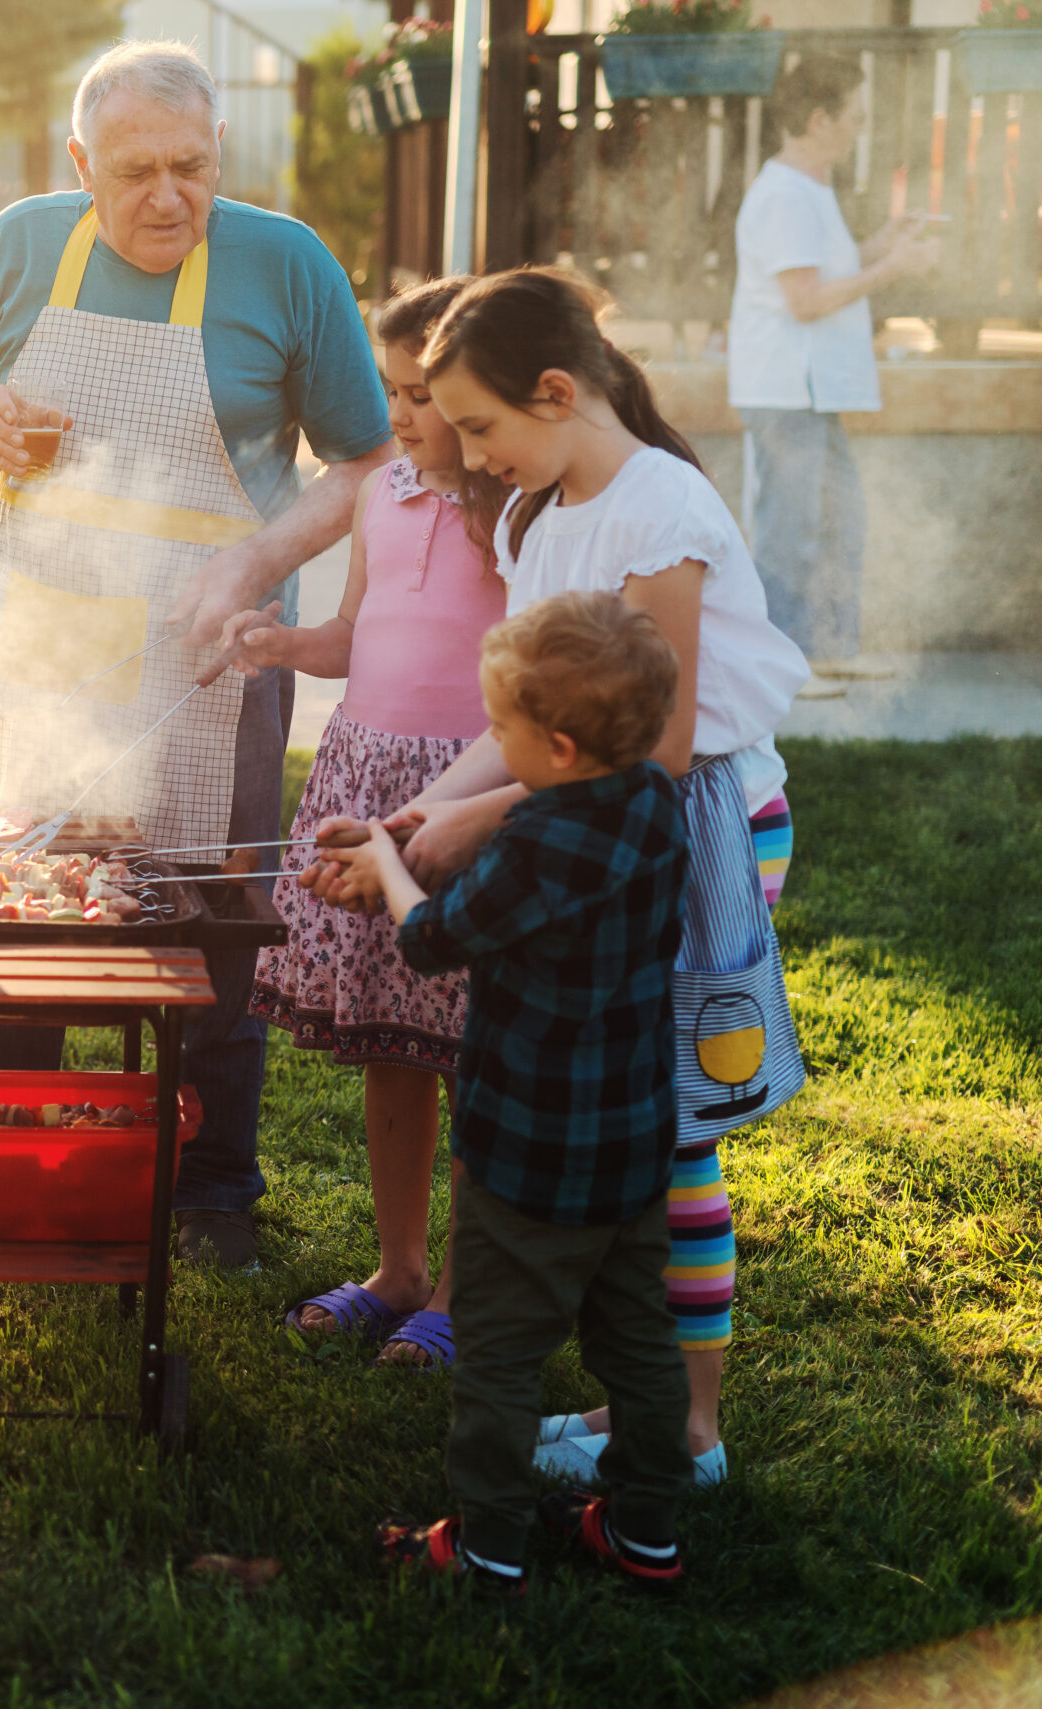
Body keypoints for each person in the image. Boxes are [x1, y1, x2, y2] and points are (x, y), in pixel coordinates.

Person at [0, 37, 396, 1268]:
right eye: (134, 173)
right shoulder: (22, 244)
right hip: (39, 643)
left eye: (190, 166)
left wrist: (254, 562)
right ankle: (14, 1146)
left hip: (208, 650)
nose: (167, 197)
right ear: (81, 164)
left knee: (210, 910)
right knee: (15, 892)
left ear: (218, 152)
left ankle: (213, 1181)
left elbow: (367, 462)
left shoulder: (285, 266)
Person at [377, 267, 810, 1489]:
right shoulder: (540, 510)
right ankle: (643, 1403)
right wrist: (437, 802)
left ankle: (688, 1430)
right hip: (593, 819)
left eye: (477, 425)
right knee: (622, 1106)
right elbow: (532, 716)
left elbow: (654, 754)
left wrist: (480, 823)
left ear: (557, 391)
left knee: (673, 1126)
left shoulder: (657, 506)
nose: (463, 452)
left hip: (703, 824)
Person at [324, 590, 693, 1593]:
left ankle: (482, 1541)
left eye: (501, 728)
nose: (490, 742)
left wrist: (391, 863)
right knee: (639, 1344)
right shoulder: (657, 802)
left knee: (496, 1352)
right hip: (630, 1141)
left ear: (560, 746)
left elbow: (428, 937)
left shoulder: (532, 845)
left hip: (525, 1149)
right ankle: (644, 1528)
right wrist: (414, 830)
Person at [230, 277, 507, 1367]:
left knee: (474, 1046)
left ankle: (460, 1289)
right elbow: (354, 629)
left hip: (466, 796)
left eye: (420, 393)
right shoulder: (377, 493)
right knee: (393, 1045)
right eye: (389, 389)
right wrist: (281, 644)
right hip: (366, 773)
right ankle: (395, 1265)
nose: (397, 413)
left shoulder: (514, 507)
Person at [728, 52, 939, 684]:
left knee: (841, 519)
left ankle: (830, 652)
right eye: (855, 116)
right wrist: (893, 269)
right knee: (790, 533)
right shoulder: (784, 197)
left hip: (810, 391)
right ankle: (784, 668)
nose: (861, 128)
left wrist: (879, 244)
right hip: (786, 389)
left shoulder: (808, 191)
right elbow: (807, 300)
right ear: (820, 120)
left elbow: (823, 275)